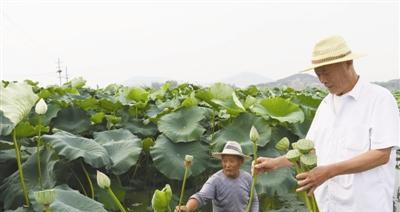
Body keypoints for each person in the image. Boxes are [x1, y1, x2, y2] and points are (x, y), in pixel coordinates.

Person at [253, 35, 400, 211]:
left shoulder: (379, 99)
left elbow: (381, 155)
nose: (322, 79)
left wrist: (329, 171)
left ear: (348, 63)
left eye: (326, 72)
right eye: (318, 73)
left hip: (364, 206)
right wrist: (275, 163)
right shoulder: (325, 104)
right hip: (327, 205)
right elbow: (309, 149)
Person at [175, 141, 259, 212]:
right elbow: (201, 197)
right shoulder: (215, 180)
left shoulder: (247, 178)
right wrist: (187, 208)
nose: (227, 165)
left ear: (241, 162)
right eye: (224, 161)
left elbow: (254, 200)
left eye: (231, 161)